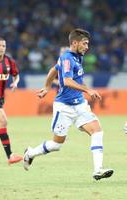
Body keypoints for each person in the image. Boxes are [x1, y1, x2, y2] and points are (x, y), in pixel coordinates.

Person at [23, 28, 114, 180]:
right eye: (84, 44)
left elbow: (53, 70)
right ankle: (30, 153)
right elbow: (66, 81)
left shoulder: (78, 57)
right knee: (57, 144)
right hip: (64, 107)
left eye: (87, 44)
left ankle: (98, 170)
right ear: (74, 43)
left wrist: (46, 87)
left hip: (79, 105)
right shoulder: (67, 58)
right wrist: (87, 89)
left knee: (97, 131)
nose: (87, 47)